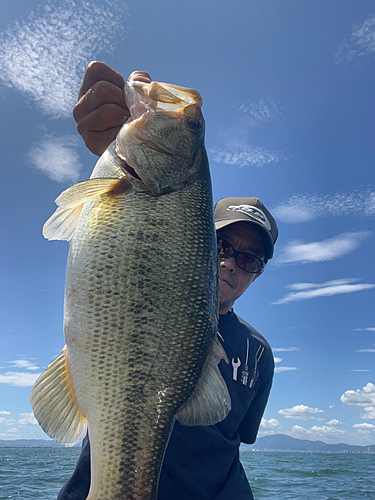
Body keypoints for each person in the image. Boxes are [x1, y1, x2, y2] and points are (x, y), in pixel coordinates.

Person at [57, 62, 278, 500]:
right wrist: (117, 138)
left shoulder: (260, 355)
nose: (232, 263)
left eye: (250, 258)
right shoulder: (142, 193)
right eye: (222, 246)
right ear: (196, 239)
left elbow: (235, 441)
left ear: (259, 272)